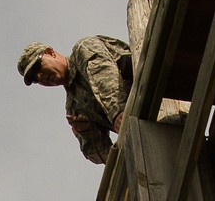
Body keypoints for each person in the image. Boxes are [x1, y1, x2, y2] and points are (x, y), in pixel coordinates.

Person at [17, 36, 132, 164]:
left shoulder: (83, 50)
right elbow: (105, 158)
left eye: (37, 67)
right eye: (34, 79)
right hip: (143, 128)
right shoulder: (74, 107)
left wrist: (117, 112)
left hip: (153, 88)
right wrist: (87, 133)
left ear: (50, 52)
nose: (40, 76)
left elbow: (104, 76)